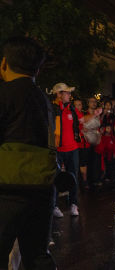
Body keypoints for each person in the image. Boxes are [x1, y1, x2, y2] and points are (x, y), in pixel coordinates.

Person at [0, 36, 57, 269]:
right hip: (42, 187)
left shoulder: (4, 93)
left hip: (6, 189)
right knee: (37, 254)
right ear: (39, 69)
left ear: (4, 64)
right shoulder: (44, 99)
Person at [51, 82, 83, 217]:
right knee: (55, 178)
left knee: (73, 177)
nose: (70, 95)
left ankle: (73, 204)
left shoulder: (72, 109)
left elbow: (82, 120)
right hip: (57, 149)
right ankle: (54, 206)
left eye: (70, 92)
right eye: (67, 92)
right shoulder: (52, 109)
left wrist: (95, 115)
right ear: (59, 94)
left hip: (73, 149)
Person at [74, 99, 90, 189]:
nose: (78, 107)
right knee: (78, 164)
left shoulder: (83, 114)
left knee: (83, 163)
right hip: (77, 144)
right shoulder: (75, 115)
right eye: (76, 105)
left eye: (79, 105)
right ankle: (82, 181)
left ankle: (84, 181)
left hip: (83, 143)